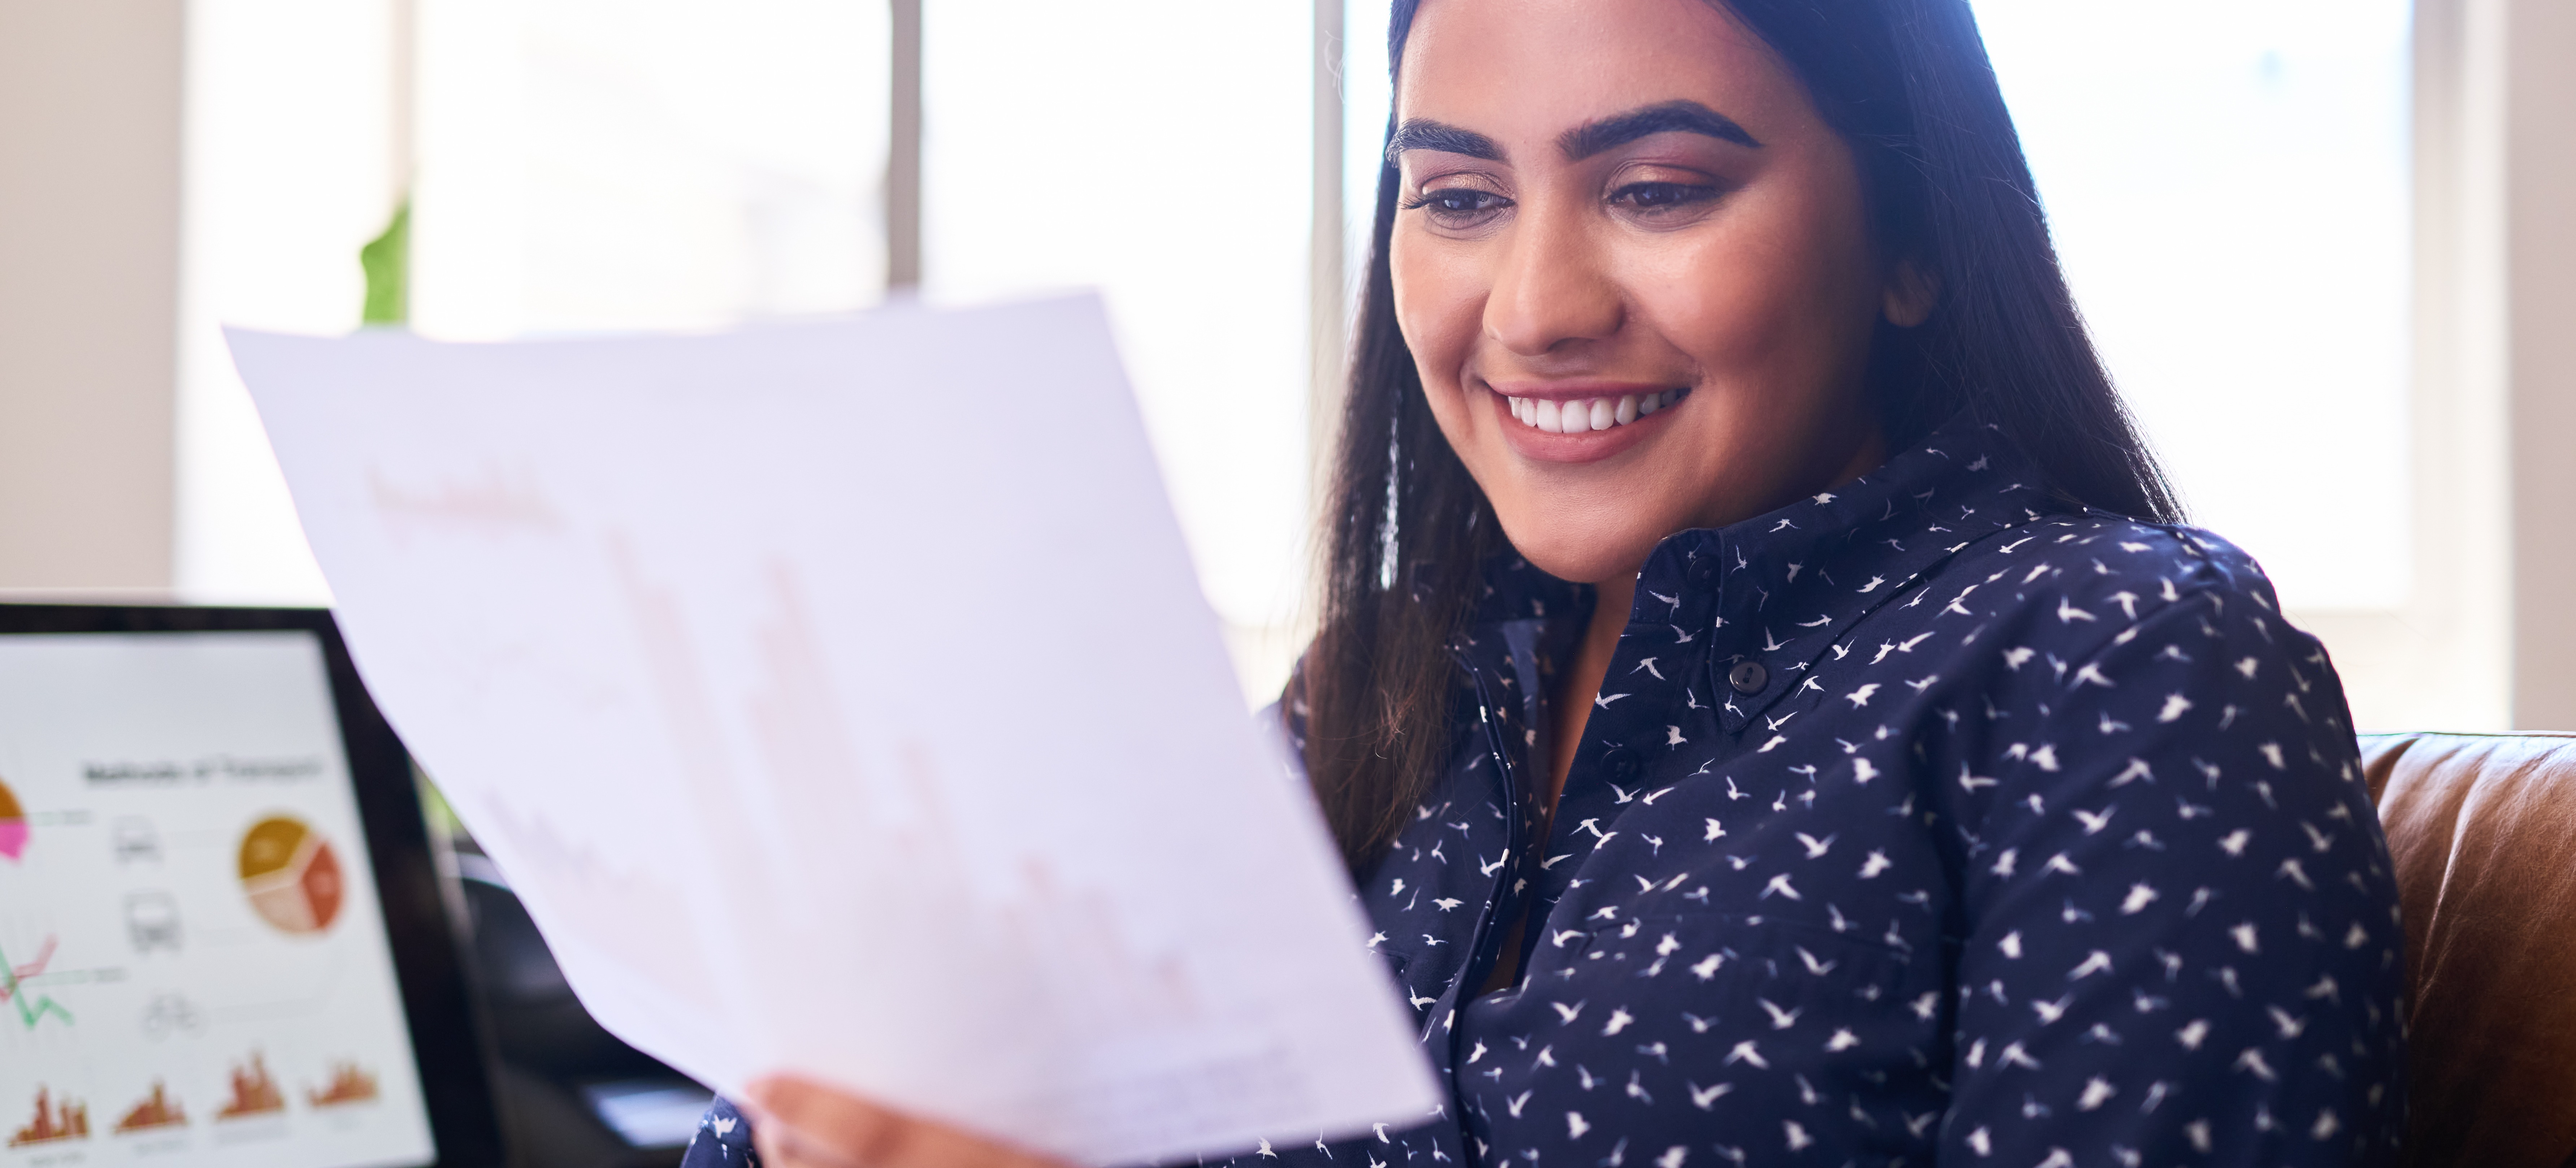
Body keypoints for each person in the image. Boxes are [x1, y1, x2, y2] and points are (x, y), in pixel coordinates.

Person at [689, 0, 2407, 1164]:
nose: (1528, 307)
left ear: (1911, 243)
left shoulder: (2119, 663)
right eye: (1453, 196)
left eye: (1653, 189)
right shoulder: (1371, 697)